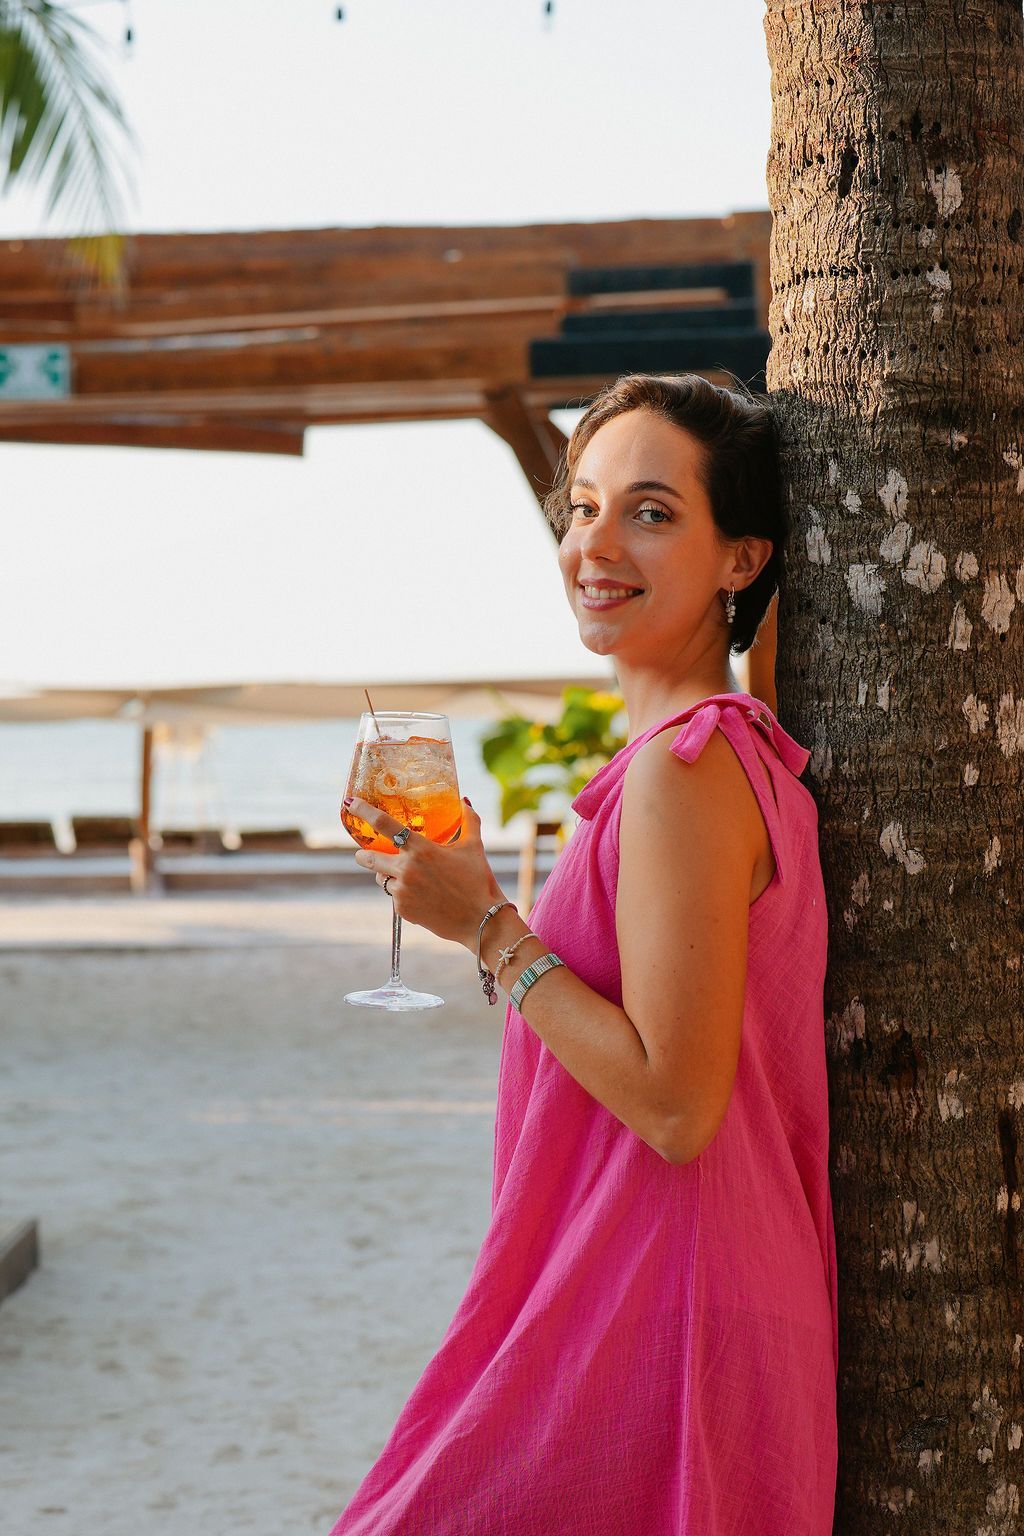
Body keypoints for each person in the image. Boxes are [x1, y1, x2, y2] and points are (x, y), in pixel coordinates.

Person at [329, 372, 838, 1535]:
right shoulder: (709, 760)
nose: (595, 543)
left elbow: (673, 1104)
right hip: (652, 1283)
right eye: (583, 507)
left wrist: (491, 931)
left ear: (739, 558)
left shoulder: (685, 770)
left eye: (651, 512)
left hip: (663, 1299)